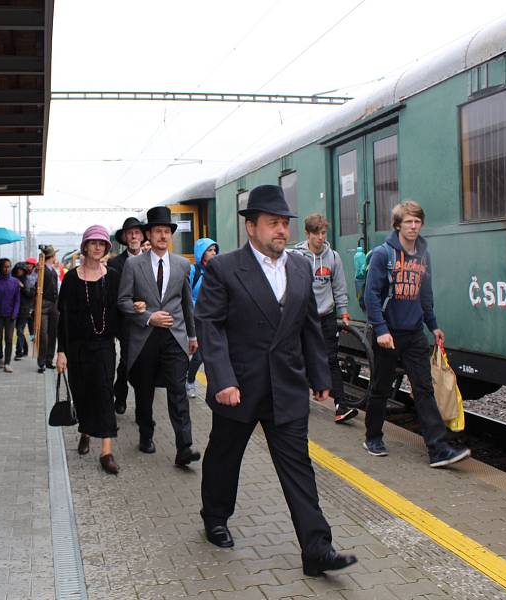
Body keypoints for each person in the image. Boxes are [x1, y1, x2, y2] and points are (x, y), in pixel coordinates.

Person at [195, 184, 356, 576]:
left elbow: (308, 327)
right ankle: (215, 516)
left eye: (285, 223)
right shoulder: (225, 268)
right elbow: (210, 327)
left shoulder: (300, 267)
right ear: (252, 227)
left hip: (286, 387)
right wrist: (222, 380)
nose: (281, 230)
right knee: (224, 457)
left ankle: (317, 548)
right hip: (240, 387)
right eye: (273, 223)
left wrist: (320, 376)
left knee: (298, 465)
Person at [363, 200, 471, 467]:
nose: (413, 226)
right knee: (381, 387)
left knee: (424, 389)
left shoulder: (423, 254)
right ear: (398, 224)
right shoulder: (382, 254)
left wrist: (433, 325)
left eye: (417, 221)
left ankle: (438, 449)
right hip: (388, 334)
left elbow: (426, 294)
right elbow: (371, 295)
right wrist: (380, 329)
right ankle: (373, 437)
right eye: (408, 222)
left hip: (413, 334)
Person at [117, 206, 202, 467]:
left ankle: (184, 446)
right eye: (158, 231)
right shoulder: (133, 265)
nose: (163, 236)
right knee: (144, 391)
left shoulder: (181, 265)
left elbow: (187, 302)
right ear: (148, 236)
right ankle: (146, 432)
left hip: (174, 338)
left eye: (167, 231)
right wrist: (146, 316)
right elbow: (122, 301)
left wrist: (192, 334)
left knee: (178, 390)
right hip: (145, 338)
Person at [56, 225, 121, 475]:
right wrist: (61, 351)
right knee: (83, 394)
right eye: (93, 243)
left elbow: (120, 309)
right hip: (77, 348)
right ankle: (85, 430)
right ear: (84, 246)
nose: (97, 247)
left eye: (102, 243)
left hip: (105, 346)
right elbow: (64, 319)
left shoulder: (113, 276)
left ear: (107, 248)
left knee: (105, 393)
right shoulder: (72, 278)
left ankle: (106, 452)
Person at [293, 214, 356, 423]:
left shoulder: (333, 257)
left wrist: (344, 311)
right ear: (307, 234)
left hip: (326, 316)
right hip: (303, 317)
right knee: (300, 358)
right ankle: (300, 401)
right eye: (316, 233)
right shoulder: (296, 256)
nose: (320, 238)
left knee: (330, 359)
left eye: (323, 233)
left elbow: (339, 287)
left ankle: (340, 406)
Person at [107, 216, 146, 415]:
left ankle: (143, 406)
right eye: (130, 233)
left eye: (137, 232)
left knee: (144, 364)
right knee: (127, 362)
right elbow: (114, 296)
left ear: (142, 235)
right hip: (125, 323)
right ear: (124, 237)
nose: (133, 236)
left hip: (147, 322)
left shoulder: (151, 259)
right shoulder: (115, 264)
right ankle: (120, 394)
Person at [185, 237, 218, 399]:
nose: (213, 253)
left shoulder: (217, 270)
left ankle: (216, 385)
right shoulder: (193, 271)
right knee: (198, 355)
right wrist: (196, 310)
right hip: (196, 319)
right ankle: (189, 381)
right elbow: (187, 294)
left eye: (214, 250)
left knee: (213, 354)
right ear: (201, 253)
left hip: (213, 319)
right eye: (210, 250)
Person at [0, 257, 21, 373]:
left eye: (8, 267)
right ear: (0, 268)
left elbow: (17, 299)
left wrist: (15, 313)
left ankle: (7, 363)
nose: (7, 269)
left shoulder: (14, 282)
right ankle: (0, 356)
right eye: (4, 267)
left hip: (10, 316)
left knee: (9, 339)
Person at [37, 245, 59, 374]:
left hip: (54, 304)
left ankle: (49, 360)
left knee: (53, 333)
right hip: (44, 303)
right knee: (43, 335)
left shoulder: (52, 269)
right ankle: (42, 362)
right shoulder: (42, 269)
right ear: (52, 256)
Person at [12, 261, 34, 359]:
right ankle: (25, 349)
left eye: (21, 270)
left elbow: (31, 294)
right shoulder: (13, 280)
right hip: (15, 309)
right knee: (19, 330)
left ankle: (19, 351)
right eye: (17, 270)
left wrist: (22, 287)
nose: (19, 272)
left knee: (20, 330)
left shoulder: (28, 281)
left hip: (25, 309)